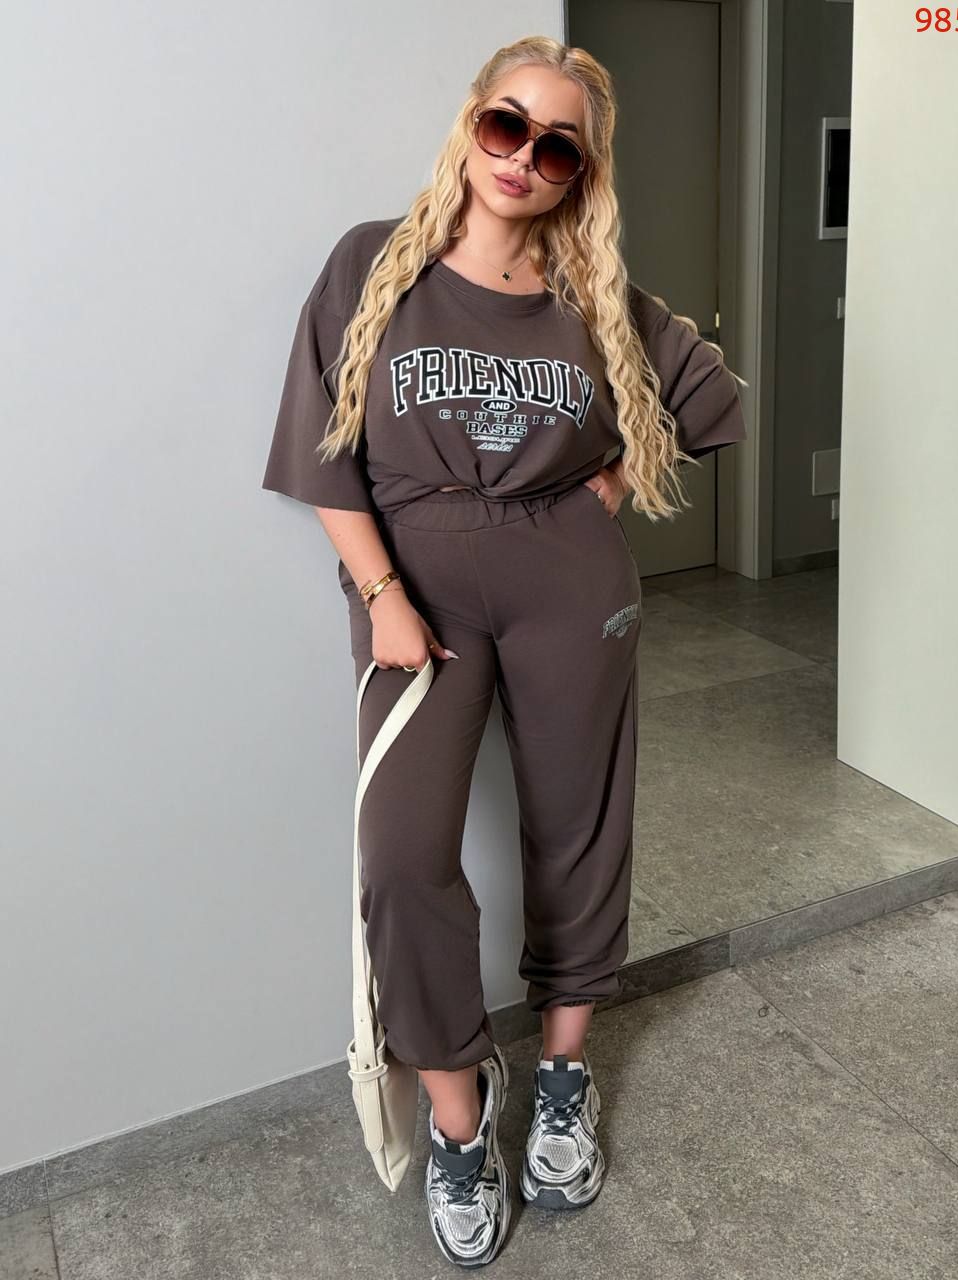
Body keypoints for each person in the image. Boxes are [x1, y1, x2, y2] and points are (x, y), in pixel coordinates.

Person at [262, 34, 747, 1269]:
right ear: (472, 124)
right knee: (401, 856)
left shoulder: (591, 298)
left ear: (581, 172)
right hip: (412, 592)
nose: (524, 157)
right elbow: (321, 452)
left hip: (568, 588)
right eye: (506, 125)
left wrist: (615, 479)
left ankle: (566, 1071)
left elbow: (713, 399)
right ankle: (458, 1114)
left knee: (577, 826)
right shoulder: (372, 263)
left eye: (557, 146)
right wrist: (381, 592)